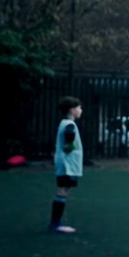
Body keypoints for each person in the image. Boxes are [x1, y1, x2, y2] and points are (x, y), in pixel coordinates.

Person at [50, 96, 84, 234]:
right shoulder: (70, 125)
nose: (81, 110)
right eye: (79, 108)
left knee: (64, 191)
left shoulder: (64, 123)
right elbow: (69, 136)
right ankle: (55, 225)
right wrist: (69, 146)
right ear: (72, 110)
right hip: (67, 165)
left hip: (66, 163)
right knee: (62, 191)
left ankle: (56, 224)